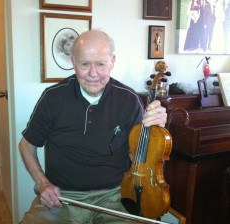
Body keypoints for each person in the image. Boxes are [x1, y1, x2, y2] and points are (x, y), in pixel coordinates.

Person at [19, 30, 167, 224]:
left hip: (115, 197)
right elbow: (26, 146)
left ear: (112, 62)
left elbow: (137, 158)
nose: (93, 74)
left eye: (100, 64)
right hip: (63, 198)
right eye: (85, 64)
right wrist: (43, 184)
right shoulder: (53, 98)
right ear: (73, 61)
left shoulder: (129, 100)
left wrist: (156, 130)